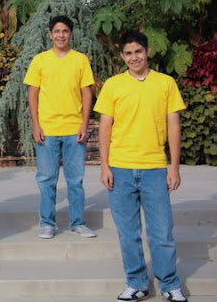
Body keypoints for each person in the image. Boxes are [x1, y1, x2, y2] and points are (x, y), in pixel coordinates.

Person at [95, 31, 188, 302]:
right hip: (120, 169)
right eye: (128, 53)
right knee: (128, 234)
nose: (134, 57)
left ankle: (169, 284)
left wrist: (174, 167)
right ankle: (136, 283)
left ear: (147, 51)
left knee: (162, 232)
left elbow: (174, 125)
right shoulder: (113, 85)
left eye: (138, 51)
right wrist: (104, 166)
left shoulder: (166, 83)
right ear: (122, 56)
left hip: (154, 168)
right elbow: (105, 127)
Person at [23, 15, 96, 239]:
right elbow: (32, 95)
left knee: (75, 180)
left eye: (65, 31)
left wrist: (84, 123)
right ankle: (48, 223)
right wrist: (36, 124)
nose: (61, 35)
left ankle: (77, 223)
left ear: (71, 34)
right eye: (57, 31)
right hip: (47, 129)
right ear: (50, 34)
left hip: (74, 129)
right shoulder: (40, 60)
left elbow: (87, 93)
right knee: (47, 179)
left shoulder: (80, 60)